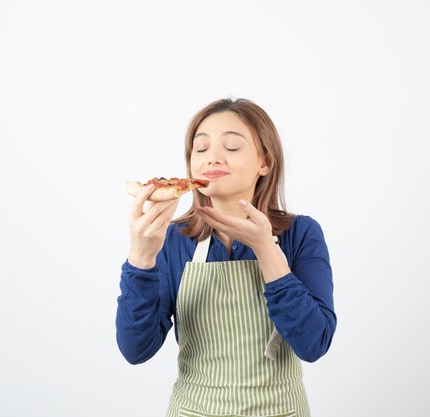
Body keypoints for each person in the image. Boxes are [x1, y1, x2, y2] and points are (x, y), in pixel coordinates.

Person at [116, 98, 336, 417]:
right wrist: (140, 257)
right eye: (200, 149)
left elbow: (314, 344)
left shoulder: (300, 233)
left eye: (232, 147)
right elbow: (136, 350)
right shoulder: (174, 239)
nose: (213, 157)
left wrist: (266, 249)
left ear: (265, 162)